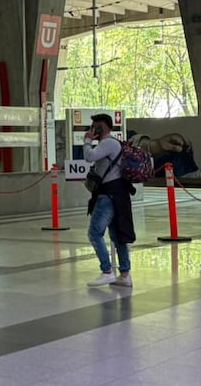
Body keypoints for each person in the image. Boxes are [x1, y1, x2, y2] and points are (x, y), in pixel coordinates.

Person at [83, 113, 136, 287]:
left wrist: (87, 140)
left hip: (109, 195)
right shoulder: (113, 143)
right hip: (118, 194)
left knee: (94, 232)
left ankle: (107, 271)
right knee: (117, 236)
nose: (92, 129)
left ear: (102, 127)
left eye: (94, 126)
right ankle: (125, 275)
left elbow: (89, 156)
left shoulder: (108, 143)